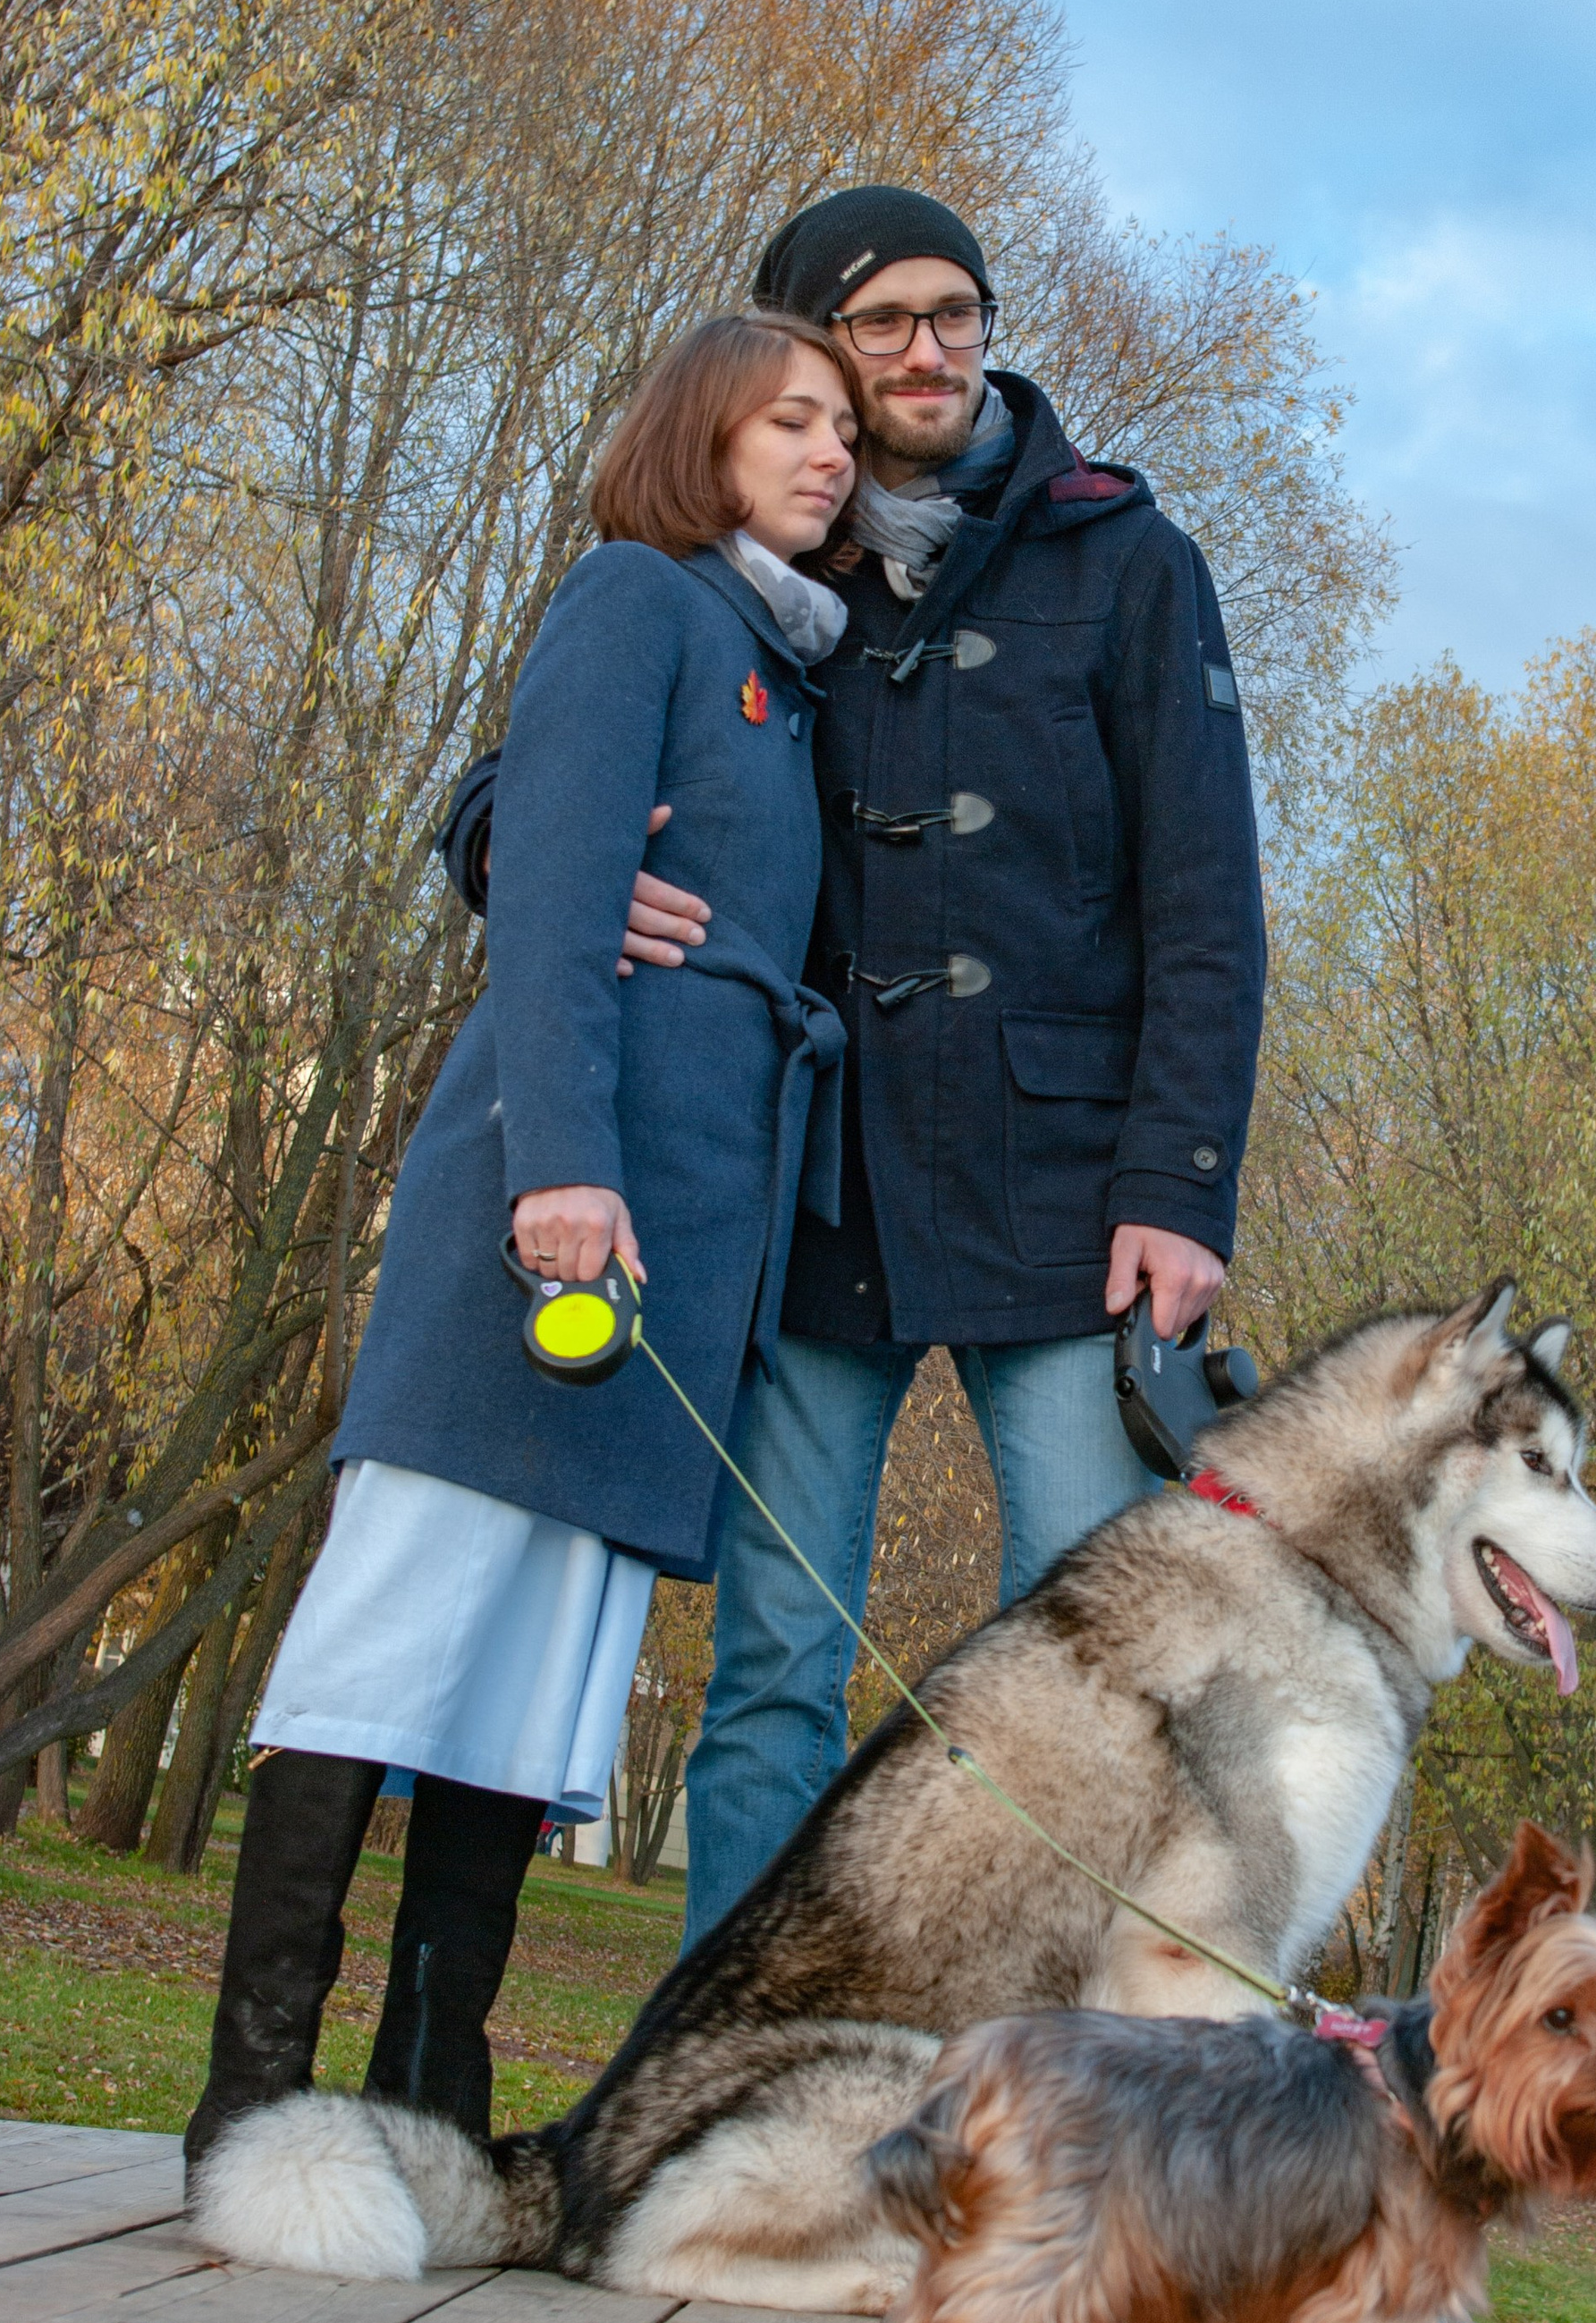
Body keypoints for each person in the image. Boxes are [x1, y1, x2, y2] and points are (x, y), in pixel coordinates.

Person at [443, 186, 1267, 1943]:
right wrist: (508, 837)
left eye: (951, 311)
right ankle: (742, 2082)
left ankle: (1050, 2103)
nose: (925, 349)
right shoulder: (756, 555)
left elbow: (1210, 899)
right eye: (880, 320)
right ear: (810, 347)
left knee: (1086, 1674)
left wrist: (1180, 1188)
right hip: (811, 1188)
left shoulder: (1128, 560)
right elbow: (556, 744)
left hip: (1068, 1202)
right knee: (773, 1664)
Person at [184, 312, 859, 2167]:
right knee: (395, 1623)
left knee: (537, 1661)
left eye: (842, 430)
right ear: (697, 436)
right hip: (558, 1209)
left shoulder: (789, 670)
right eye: (788, 418)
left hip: (690, 1255)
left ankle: (422, 2103)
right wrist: (557, 1170)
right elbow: (553, 896)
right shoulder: (636, 601)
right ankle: (251, 2102)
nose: (828, 450)